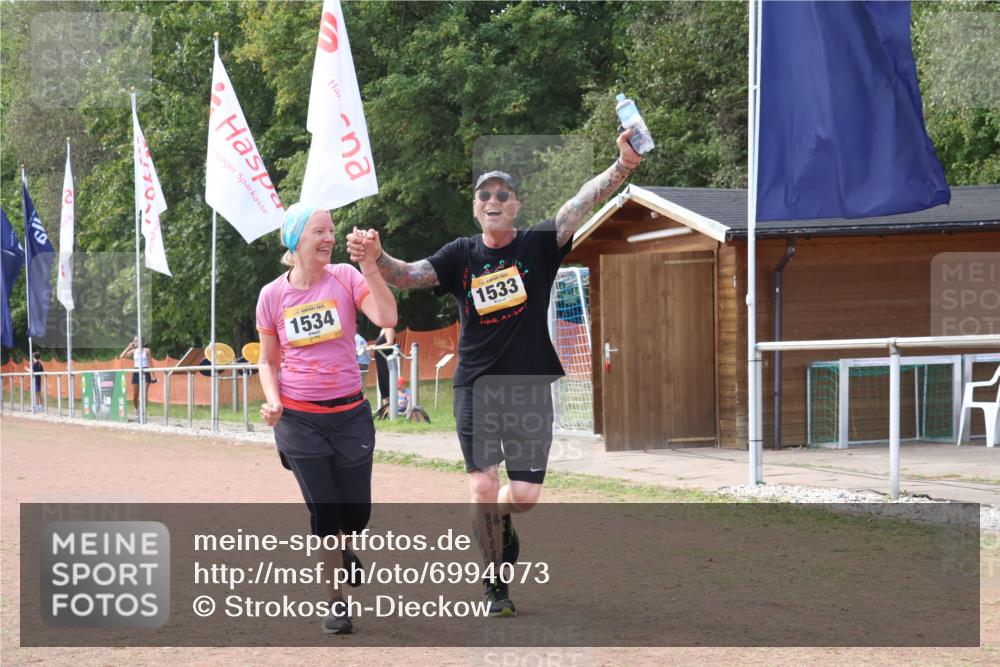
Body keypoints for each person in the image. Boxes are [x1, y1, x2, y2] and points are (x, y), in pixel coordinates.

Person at [347, 130, 643, 616]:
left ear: (516, 206)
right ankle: (495, 583)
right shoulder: (461, 254)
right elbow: (409, 274)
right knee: (482, 486)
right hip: (477, 387)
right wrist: (377, 258)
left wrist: (623, 165)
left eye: (503, 194)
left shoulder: (540, 246)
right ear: (475, 207)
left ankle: (502, 521)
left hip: (529, 387)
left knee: (523, 497)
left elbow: (581, 201)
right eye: (484, 194)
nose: (493, 200)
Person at [256, 203, 397, 635]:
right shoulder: (272, 296)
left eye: (331, 230)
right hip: (299, 420)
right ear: (294, 240)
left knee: (355, 515)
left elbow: (388, 318)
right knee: (325, 512)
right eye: (318, 231)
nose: (328, 238)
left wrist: (371, 264)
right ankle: (335, 602)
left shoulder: (347, 277)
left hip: (351, 414)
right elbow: (266, 360)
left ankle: (345, 545)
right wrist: (273, 401)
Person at [119, 337, 155, 415]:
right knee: (135, 395)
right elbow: (122, 356)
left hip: (145, 371)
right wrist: (128, 347)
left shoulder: (147, 350)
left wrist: (153, 375)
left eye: (136, 341)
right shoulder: (133, 351)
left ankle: (144, 412)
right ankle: (136, 409)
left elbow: (150, 363)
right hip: (136, 371)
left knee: (144, 393)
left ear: (141, 341)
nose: (134, 342)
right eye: (134, 341)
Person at [373, 326, 395, 409]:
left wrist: (376, 347)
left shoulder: (389, 329)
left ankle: (393, 408)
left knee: (388, 382)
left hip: (386, 360)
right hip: (379, 361)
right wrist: (374, 346)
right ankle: (386, 410)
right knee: (382, 385)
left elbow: (390, 343)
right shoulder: (382, 330)